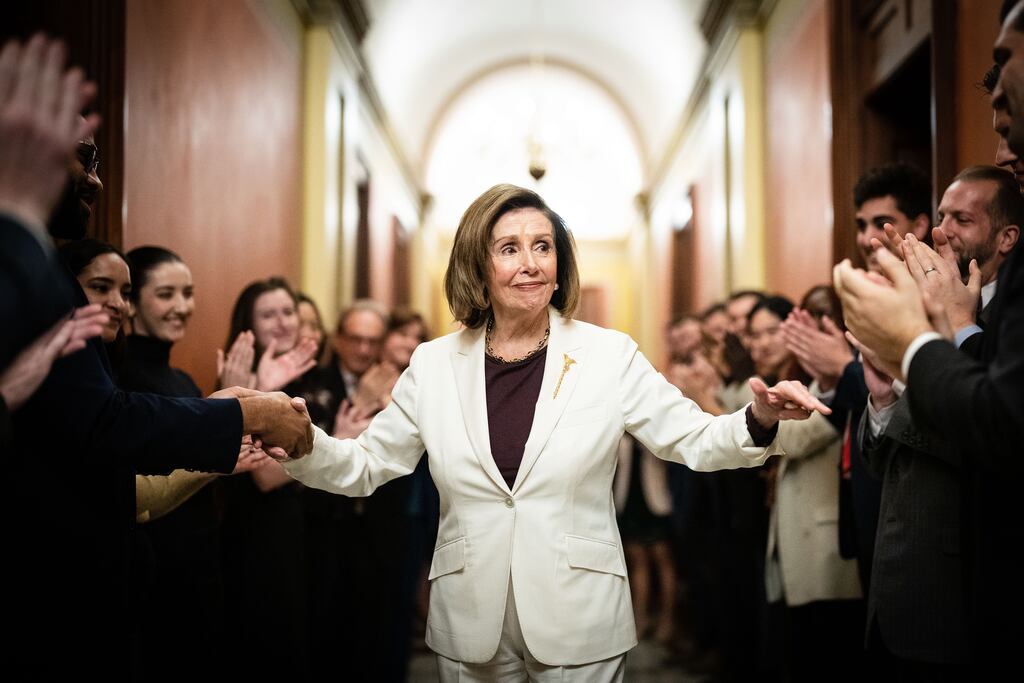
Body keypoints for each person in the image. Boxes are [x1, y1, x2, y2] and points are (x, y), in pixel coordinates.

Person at [272, 184, 828, 680]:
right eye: (509, 248)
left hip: (578, 614)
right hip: (471, 618)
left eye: (543, 246)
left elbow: (693, 440)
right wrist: (299, 439)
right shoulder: (433, 365)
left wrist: (758, 420)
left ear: (560, 265)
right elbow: (366, 465)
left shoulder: (608, 355)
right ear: (478, 266)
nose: (530, 263)